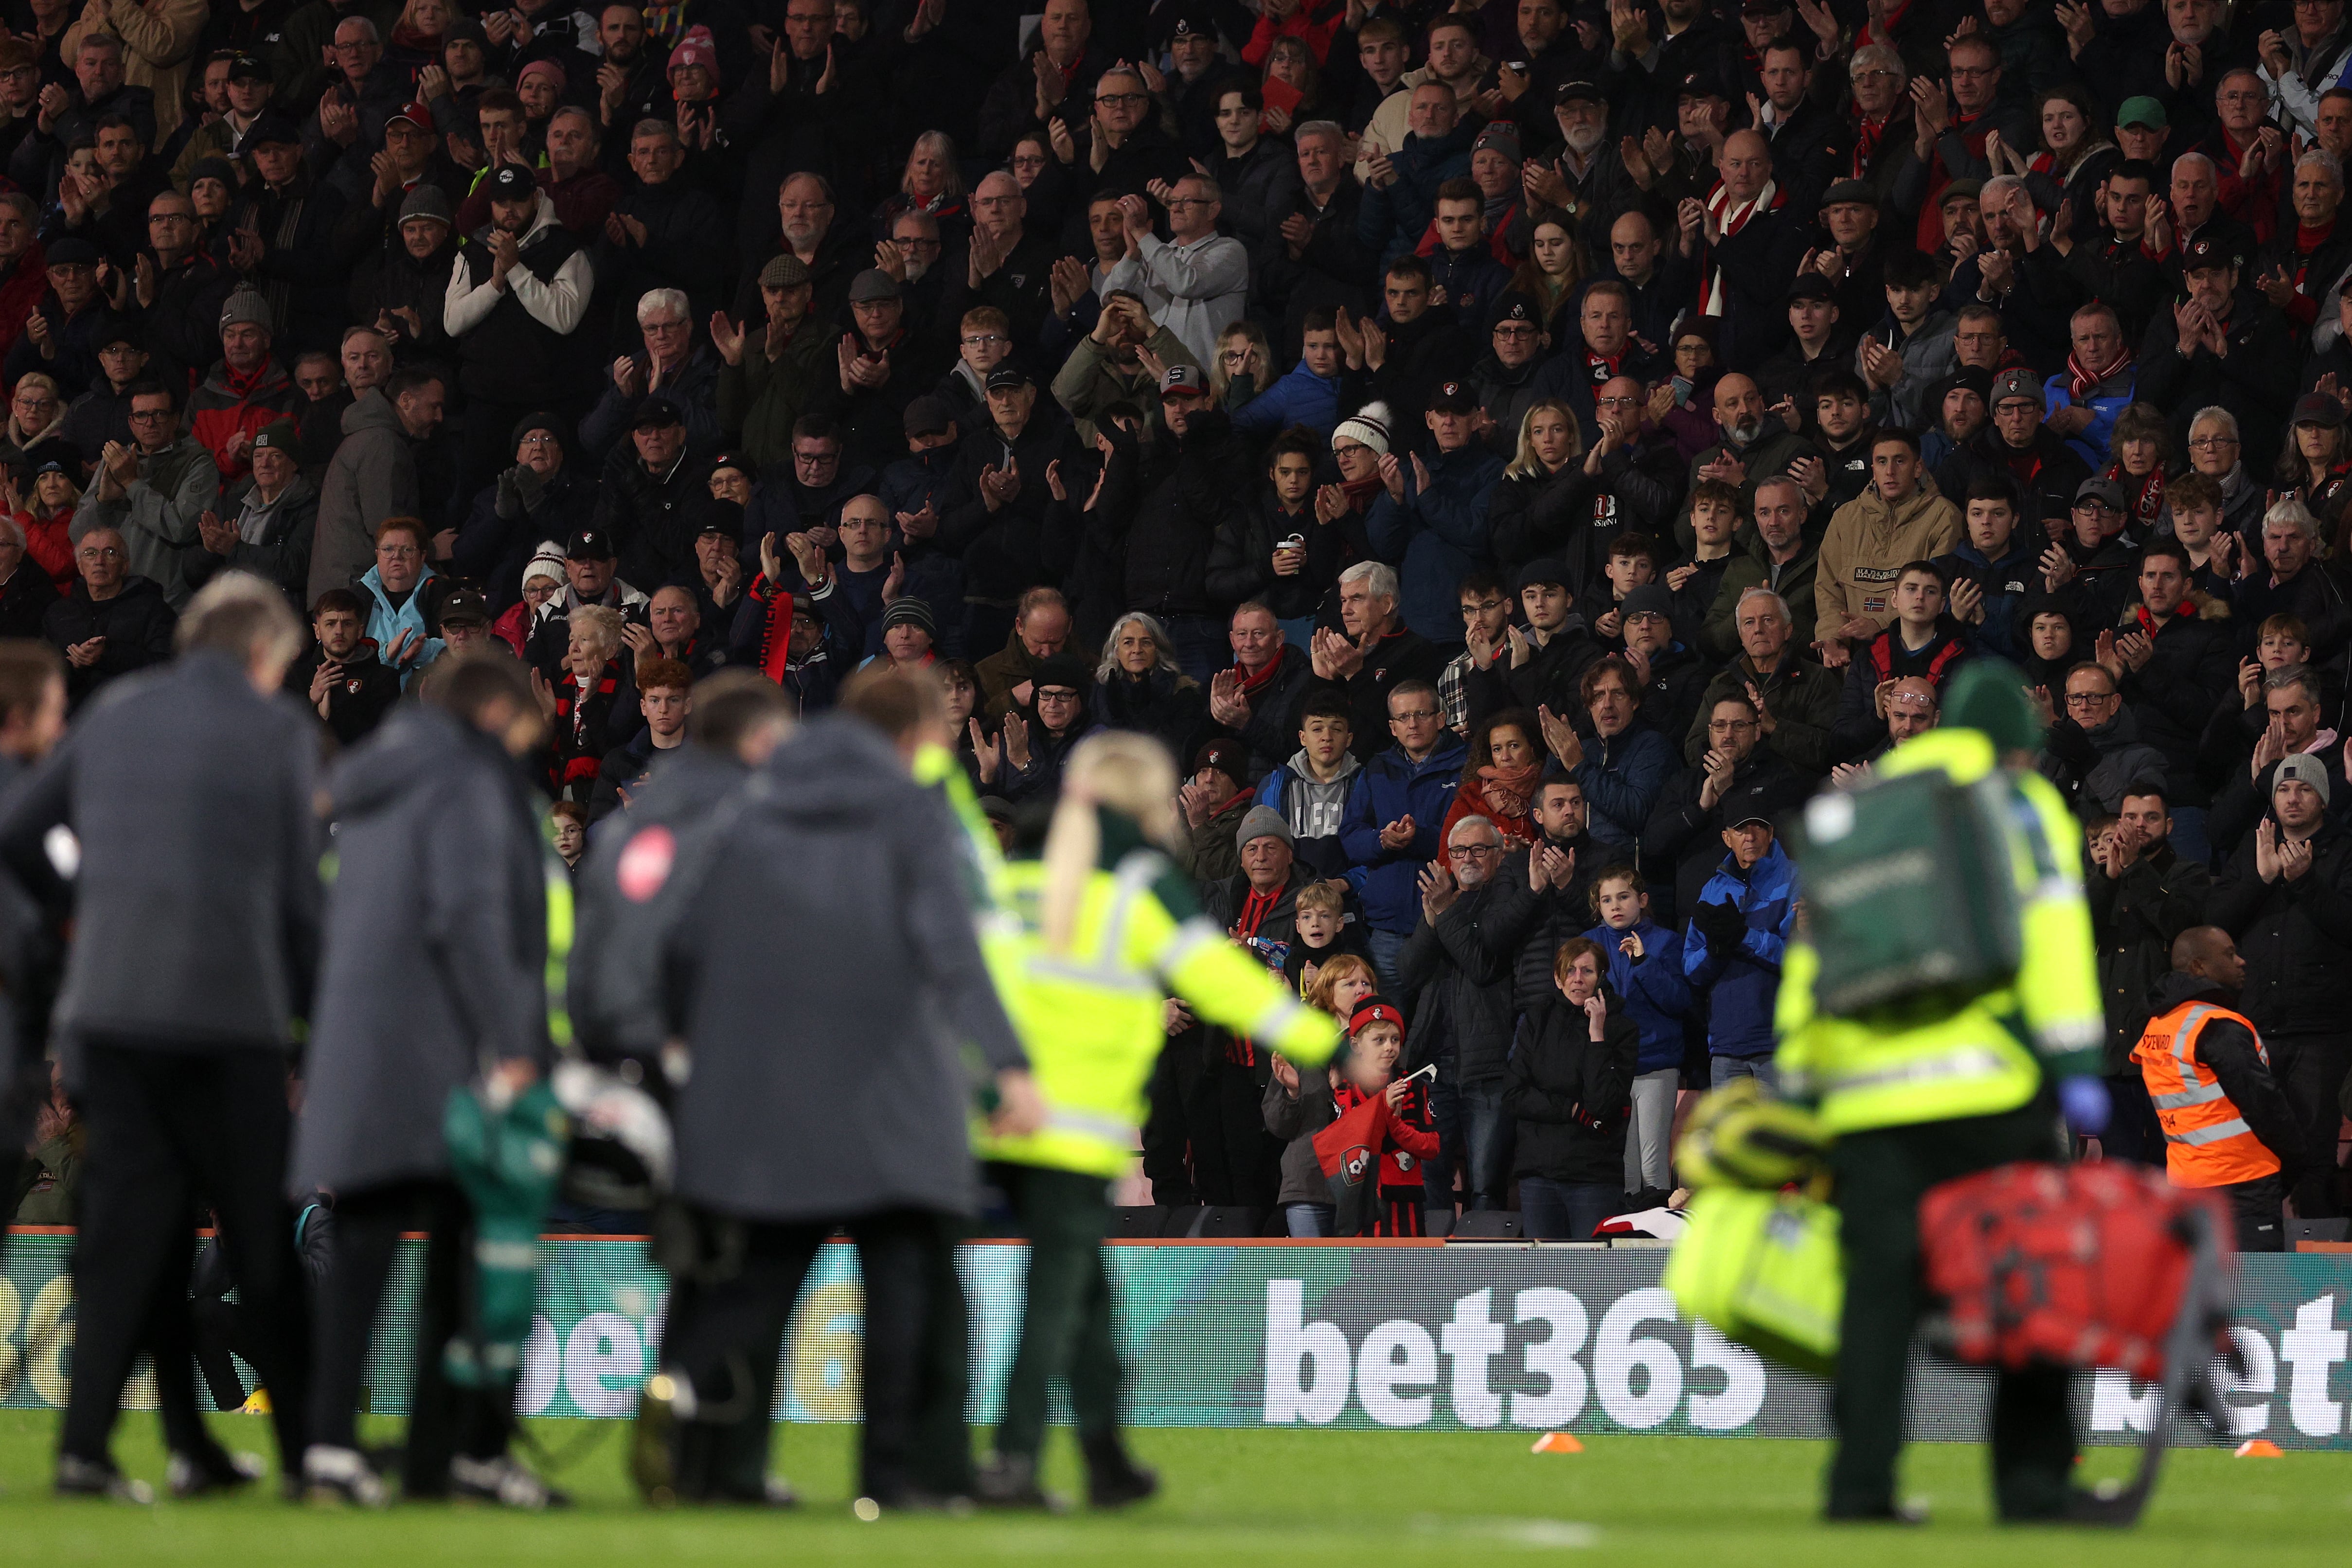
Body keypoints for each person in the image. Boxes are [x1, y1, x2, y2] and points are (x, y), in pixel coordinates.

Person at [623, 669, 1039, 1512]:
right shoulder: (912, 812)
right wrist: (1008, 1063)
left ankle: (702, 1415)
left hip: (768, 1085)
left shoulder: (749, 809)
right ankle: (887, 1481)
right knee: (901, 1281)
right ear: (920, 736)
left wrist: (678, 1034)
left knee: (765, 1280)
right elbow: (951, 949)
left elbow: (680, 933)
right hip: (891, 1084)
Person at [0, 574, 317, 1500]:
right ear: (262, 654)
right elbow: (300, 897)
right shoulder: (279, 730)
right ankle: (308, 1455)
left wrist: (89, 920)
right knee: (259, 1237)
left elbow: (17, 834)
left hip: (113, 1020)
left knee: (135, 1240)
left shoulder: (115, 712)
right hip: (229, 1024)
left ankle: (90, 1450)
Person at [1775, 663, 2109, 1522]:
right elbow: (2055, 935)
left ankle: (1860, 1486)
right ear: (2015, 747)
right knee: (2028, 1283)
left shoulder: (1863, 809)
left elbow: (1814, 952)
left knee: (1877, 1299)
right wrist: (2076, 1067)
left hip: (1867, 1101)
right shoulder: (2018, 805)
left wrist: (1804, 1084)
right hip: (1990, 1096)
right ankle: (2031, 1484)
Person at [975, 731, 1336, 1508]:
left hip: (999, 1118)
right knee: (1056, 1292)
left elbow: (964, 993)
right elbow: (1224, 981)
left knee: (1086, 1291)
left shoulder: (1018, 883)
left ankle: (1107, 1462)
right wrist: (1324, 1041)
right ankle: (1011, 1458)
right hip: (1069, 1128)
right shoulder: (1136, 880)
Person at [291, 653, 563, 1508]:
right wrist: (517, 1038)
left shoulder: (362, 787)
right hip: (445, 1061)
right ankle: (457, 1454)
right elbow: (469, 911)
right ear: (494, 718)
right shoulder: (470, 780)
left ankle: (332, 1449)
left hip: (358, 1055)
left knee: (361, 1263)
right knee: (469, 1260)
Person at [2207, 751, 2352, 1221]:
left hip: (2321, 1030)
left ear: (2324, 801)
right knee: (2256, 1154)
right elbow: (2211, 929)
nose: (2292, 798)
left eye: (2305, 789)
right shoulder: (2250, 853)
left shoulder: (2346, 851)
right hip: (2257, 1027)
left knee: (2315, 1157)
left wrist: (2306, 883)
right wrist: (2262, 877)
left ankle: (2319, 1278)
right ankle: (2262, 1270)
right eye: (2284, 790)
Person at [2132, 926, 2306, 1253]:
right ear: (2198, 967)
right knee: (2255, 1296)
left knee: (2207, 1297)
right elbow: (2264, 1102)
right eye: (2229, 954)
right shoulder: (2216, 1025)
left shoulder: (2159, 1026)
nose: (2242, 961)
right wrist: (2297, 1162)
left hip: (2188, 1182)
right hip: (2243, 1181)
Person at [1505, 935, 1639, 1239]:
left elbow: (1604, 1103)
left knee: (1594, 1279)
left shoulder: (1622, 1029)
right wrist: (1571, 1109)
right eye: (1570, 971)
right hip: (1539, 1172)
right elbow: (1514, 1095)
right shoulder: (1536, 1021)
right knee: (1543, 1281)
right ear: (1557, 978)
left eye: (1587, 971)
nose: (1578, 979)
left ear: (1602, 977)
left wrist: (1597, 1036)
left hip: (1593, 1176)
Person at [1337, 678, 1465, 990]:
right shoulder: (1377, 768)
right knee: (1385, 1029)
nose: (1413, 724)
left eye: (1421, 714)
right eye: (1404, 718)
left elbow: (1473, 840)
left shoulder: (1466, 765)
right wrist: (1381, 841)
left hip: (1448, 921)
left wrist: (1418, 838)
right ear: (1393, 727)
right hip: (1386, 928)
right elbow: (1351, 836)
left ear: (1440, 719)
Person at [287, 587, 401, 746]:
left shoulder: (384, 678)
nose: (339, 631)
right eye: (331, 624)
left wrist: (328, 719)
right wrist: (311, 701)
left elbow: (378, 741)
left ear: (360, 631)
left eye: (347, 624)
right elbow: (281, 736)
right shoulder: (295, 677)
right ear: (317, 631)